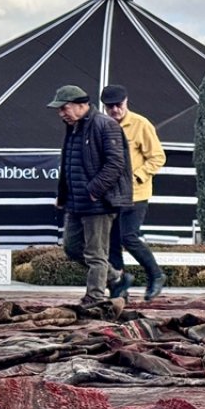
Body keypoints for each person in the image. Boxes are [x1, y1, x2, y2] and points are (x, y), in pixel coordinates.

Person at [49, 85, 134, 305]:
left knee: (96, 254)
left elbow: (116, 164)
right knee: (72, 248)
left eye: (64, 108)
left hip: (98, 203)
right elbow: (69, 164)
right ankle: (116, 278)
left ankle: (94, 297)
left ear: (81, 105)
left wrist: (94, 190)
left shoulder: (105, 125)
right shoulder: (74, 127)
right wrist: (63, 195)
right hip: (76, 203)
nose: (61, 113)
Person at [101, 85, 166, 302]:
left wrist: (138, 175)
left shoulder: (140, 124)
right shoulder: (102, 125)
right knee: (112, 241)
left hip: (136, 193)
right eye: (110, 107)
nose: (115, 110)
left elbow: (157, 157)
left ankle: (156, 274)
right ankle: (119, 288)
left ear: (126, 102)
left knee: (129, 236)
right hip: (110, 195)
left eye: (119, 105)